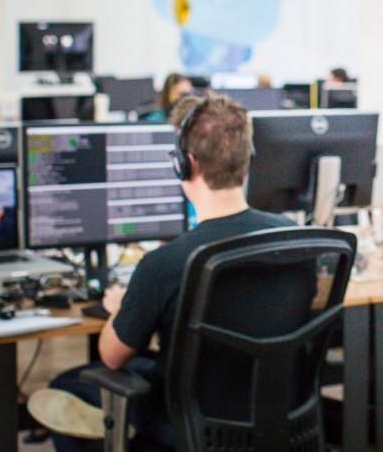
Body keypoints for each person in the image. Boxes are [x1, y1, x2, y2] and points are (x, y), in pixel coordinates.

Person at [31, 93, 296, 451]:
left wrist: (119, 309)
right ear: (248, 158)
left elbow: (111, 356)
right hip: (276, 416)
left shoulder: (165, 264)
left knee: (67, 387)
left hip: (190, 426)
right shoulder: (295, 239)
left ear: (185, 165)